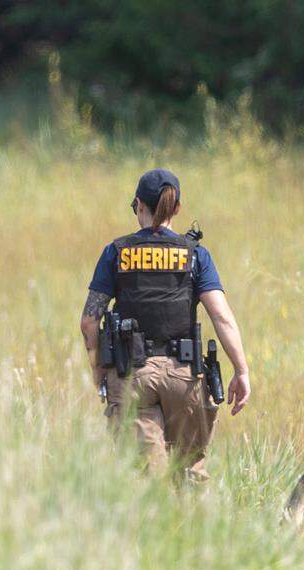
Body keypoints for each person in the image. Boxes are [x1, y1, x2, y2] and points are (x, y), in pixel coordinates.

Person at [79, 168, 251, 482]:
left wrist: (98, 371)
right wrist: (241, 370)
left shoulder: (116, 253)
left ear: (138, 206)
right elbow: (222, 316)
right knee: (190, 474)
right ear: (177, 209)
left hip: (132, 377)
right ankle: (197, 529)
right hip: (184, 379)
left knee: (146, 479)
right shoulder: (197, 255)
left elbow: (90, 320)